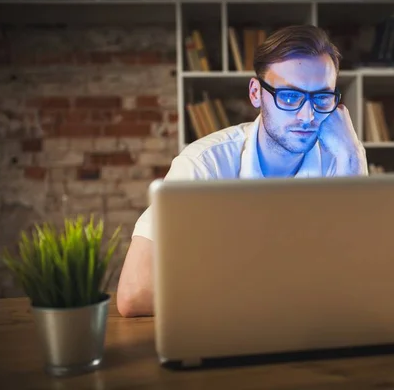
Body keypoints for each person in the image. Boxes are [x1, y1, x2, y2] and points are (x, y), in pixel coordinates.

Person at [116, 24, 368, 317]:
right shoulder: (204, 164)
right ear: (256, 93)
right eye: (289, 96)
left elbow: (366, 278)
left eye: (322, 97)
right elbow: (135, 294)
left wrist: (353, 153)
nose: (308, 115)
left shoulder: (341, 161)